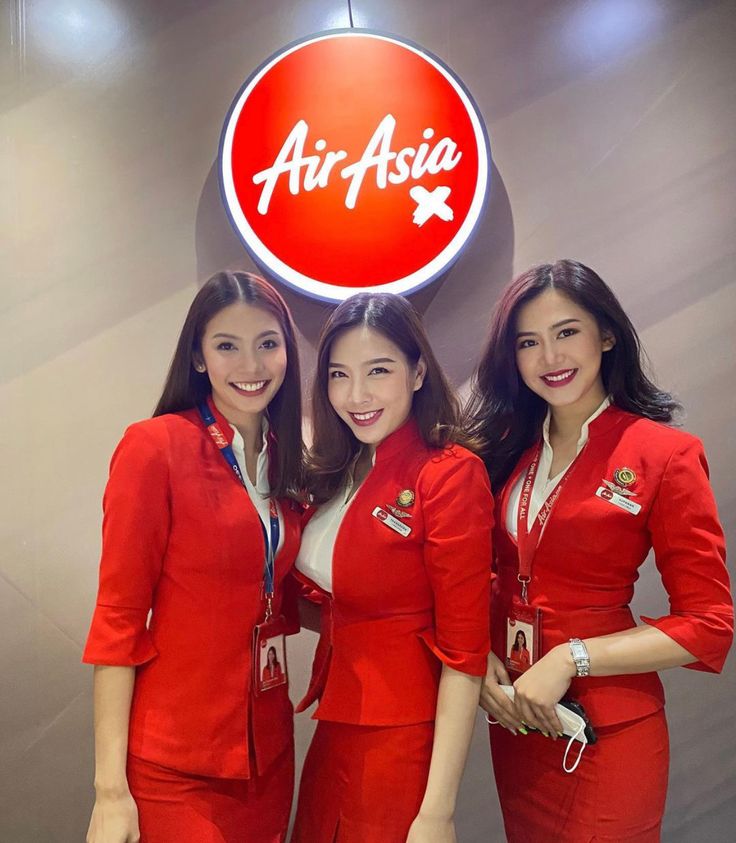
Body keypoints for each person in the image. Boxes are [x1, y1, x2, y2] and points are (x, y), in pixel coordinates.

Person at [464, 259, 733, 841]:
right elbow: (479, 573)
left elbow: (710, 624)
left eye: (567, 333)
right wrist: (477, 653)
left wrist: (570, 659)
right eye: (528, 342)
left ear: (605, 335)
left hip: (608, 730)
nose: (550, 358)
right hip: (521, 723)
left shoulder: (664, 454)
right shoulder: (502, 450)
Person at [83, 271, 305, 843]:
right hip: (176, 764)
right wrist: (110, 792)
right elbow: (118, 620)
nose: (251, 366)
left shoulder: (290, 463)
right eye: (227, 345)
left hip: (269, 756)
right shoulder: (154, 447)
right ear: (200, 357)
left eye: (267, 343)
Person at [290, 293, 493, 843]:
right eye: (339, 375)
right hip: (334, 722)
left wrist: (437, 812)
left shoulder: (449, 474)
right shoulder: (338, 470)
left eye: (378, 370)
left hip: (400, 735)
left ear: (419, 370)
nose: (356, 395)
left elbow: (465, 655)